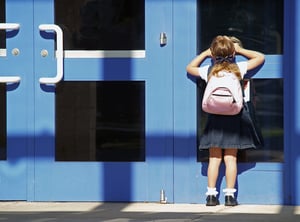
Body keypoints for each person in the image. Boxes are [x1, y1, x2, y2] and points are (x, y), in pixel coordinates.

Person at [186, 35, 265, 206]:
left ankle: (211, 196)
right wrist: (241, 50)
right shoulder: (238, 68)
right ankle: (230, 197)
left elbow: (190, 67)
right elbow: (260, 57)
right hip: (234, 118)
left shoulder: (209, 70)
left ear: (213, 54)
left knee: (214, 159)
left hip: (215, 119)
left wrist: (205, 54)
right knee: (231, 159)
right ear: (232, 53)